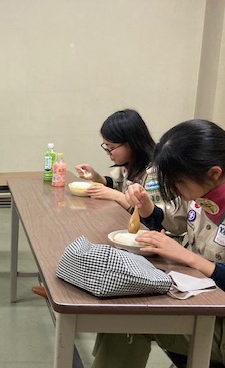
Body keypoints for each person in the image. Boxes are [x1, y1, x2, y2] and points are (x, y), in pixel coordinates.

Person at [68, 119, 225, 368]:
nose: (176, 191)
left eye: (177, 183)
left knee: (142, 315)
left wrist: (187, 257)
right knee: (127, 291)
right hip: (209, 304)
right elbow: (174, 222)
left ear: (213, 173)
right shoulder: (207, 188)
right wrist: (146, 208)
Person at [33, 109, 158, 299]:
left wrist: (117, 197)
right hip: (128, 231)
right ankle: (62, 285)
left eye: (111, 147)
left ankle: (65, 291)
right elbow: (118, 184)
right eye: (105, 147)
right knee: (81, 236)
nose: (108, 152)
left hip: (147, 242)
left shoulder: (153, 173)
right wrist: (98, 178)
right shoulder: (130, 165)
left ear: (131, 142)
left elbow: (154, 219)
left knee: (92, 244)